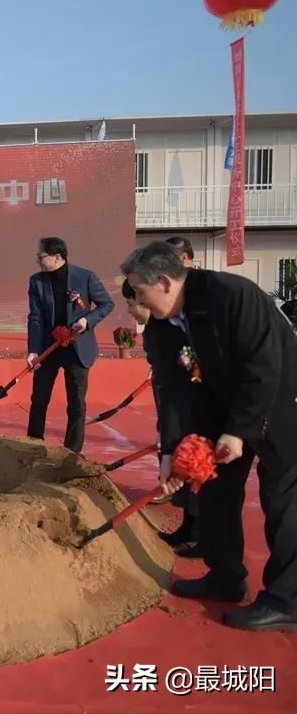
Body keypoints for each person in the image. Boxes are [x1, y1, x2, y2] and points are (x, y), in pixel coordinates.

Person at [123, 241, 297, 631]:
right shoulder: (166, 325)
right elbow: (173, 389)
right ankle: (226, 577)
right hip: (222, 407)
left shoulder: (232, 297)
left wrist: (239, 431)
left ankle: (288, 600)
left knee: (284, 499)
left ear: (164, 282)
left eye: (140, 291)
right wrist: (171, 451)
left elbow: (264, 366)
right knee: (215, 491)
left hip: (281, 402)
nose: (137, 300)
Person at [123, 279, 201, 555]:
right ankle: (189, 526)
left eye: (132, 303)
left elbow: (188, 371)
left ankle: (202, 535)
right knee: (181, 465)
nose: (130, 310)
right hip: (172, 403)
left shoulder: (172, 328)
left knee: (193, 467)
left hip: (191, 405)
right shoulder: (155, 329)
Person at [26, 237, 113, 453]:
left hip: (77, 348)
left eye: (41, 256)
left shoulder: (85, 277)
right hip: (49, 347)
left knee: (76, 403)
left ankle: (72, 452)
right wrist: (33, 350)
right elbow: (35, 318)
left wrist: (87, 321)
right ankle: (33, 445)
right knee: (39, 399)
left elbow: (106, 304)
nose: (37, 260)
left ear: (57, 257)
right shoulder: (36, 281)